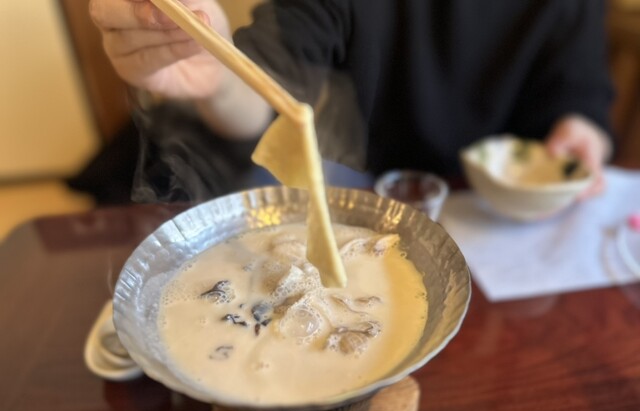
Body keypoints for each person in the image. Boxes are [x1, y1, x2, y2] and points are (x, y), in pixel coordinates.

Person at [88, 0, 613, 199]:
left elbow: (582, 94)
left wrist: (582, 133)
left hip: (502, 208)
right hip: (368, 185)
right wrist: (219, 75)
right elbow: (267, 81)